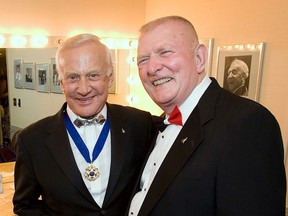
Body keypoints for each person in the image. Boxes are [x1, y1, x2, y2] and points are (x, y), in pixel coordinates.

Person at [128, 16, 286, 216]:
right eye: (143, 60)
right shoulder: (159, 124)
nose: (152, 68)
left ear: (199, 58)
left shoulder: (247, 124)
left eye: (165, 52)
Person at [13, 34, 157, 215]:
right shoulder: (31, 140)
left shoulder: (140, 124)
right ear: (61, 82)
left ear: (110, 77)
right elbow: (24, 205)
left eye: (93, 75)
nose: (83, 89)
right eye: (73, 77)